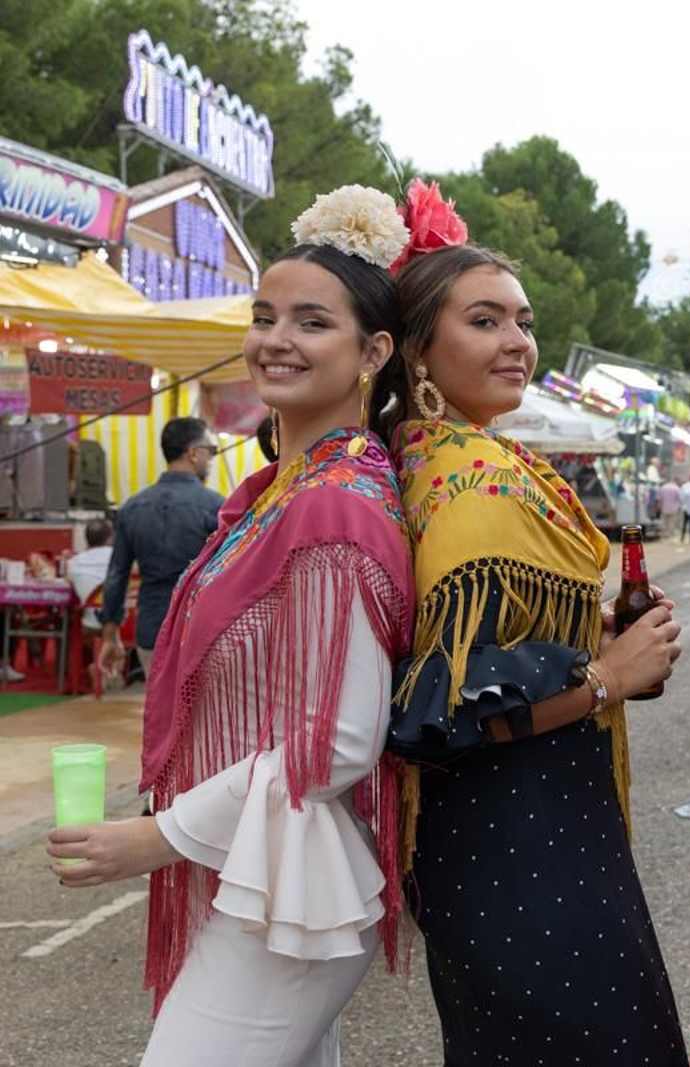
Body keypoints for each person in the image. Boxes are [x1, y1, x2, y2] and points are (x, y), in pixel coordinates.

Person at [48, 184, 416, 1065]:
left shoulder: (335, 503)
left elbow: (337, 744)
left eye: (310, 322)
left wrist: (156, 834)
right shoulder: (273, 495)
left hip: (291, 882)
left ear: (374, 351)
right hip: (263, 864)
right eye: (264, 315)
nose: (275, 339)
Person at [384, 228, 688, 1064]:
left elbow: (486, 636)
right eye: (485, 321)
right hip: (513, 836)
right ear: (415, 349)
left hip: (527, 827)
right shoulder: (467, 482)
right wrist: (606, 677)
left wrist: (585, 627)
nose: (518, 342)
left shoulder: (455, 459)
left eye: (522, 321)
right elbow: (442, 707)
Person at [97, 416, 223, 680]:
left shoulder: (132, 507)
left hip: (152, 629)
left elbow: (116, 575)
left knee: (157, 714)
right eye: (210, 452)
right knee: (198, 718)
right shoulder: (216, 506)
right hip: (201, 629)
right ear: (193, 453)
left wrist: (110, 633)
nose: (211, 459)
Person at [66, 518, 114, 630]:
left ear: (86, 540)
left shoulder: (74, 563)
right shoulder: (120, 559)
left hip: (91, 623)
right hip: (124, 624)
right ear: (110, 538)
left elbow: (69, 582)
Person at [660, 475, 683, 540]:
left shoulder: (663, 487)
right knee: (672, 522)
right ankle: (670, 535)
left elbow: (660, 499)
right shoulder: (676, 488)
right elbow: (680, 499)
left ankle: (664, 534)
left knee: (664, 522)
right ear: (677, 481)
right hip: (673, 509)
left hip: (664, 508)